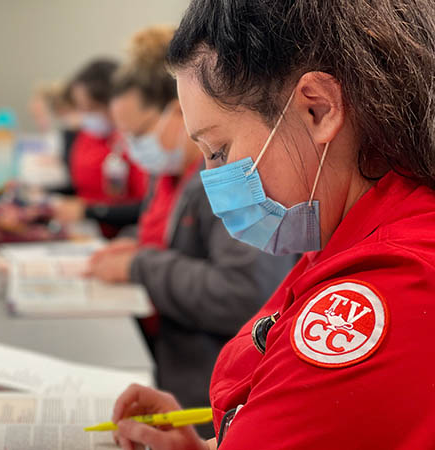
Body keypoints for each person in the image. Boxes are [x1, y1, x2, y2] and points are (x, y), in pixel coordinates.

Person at [111, 0, 435, 449]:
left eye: (219, 149)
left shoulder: (389, 286)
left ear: (317, 110)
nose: (211, 178)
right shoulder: (354, 232)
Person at [88, 25, 295, 438]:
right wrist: (132, 247)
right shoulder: (170, 177)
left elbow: (242, 292)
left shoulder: (221, 183)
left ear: (179, 110)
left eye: (140, 133)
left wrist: (140, 266)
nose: (131, 147)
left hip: (203, 385)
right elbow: (166, 241)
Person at [52, 59, 148, 237]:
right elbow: (81, 187)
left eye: (91, 108)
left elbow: (147, 206)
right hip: (89, 230)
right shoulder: (89, 135)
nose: (85, 115)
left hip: (119, 233)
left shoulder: (136, 143)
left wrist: (89, 211)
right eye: (81, 108)